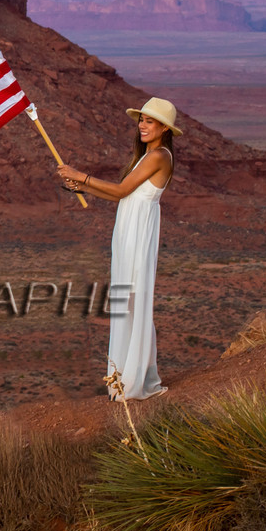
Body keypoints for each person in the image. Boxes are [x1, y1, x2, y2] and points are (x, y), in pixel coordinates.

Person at [56, 96, 181, 402]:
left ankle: (137, 379)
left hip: (139, 233)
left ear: (164, 128)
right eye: (141, 120)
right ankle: (126, 375)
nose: (142, 125)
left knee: (135, 299)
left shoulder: (160, 156)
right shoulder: (145, 156)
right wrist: (83, 187)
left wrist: (80, 174)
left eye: (149, 121)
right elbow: (123, 198)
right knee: (127, 298)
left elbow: (123, 189)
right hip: (128, 229)